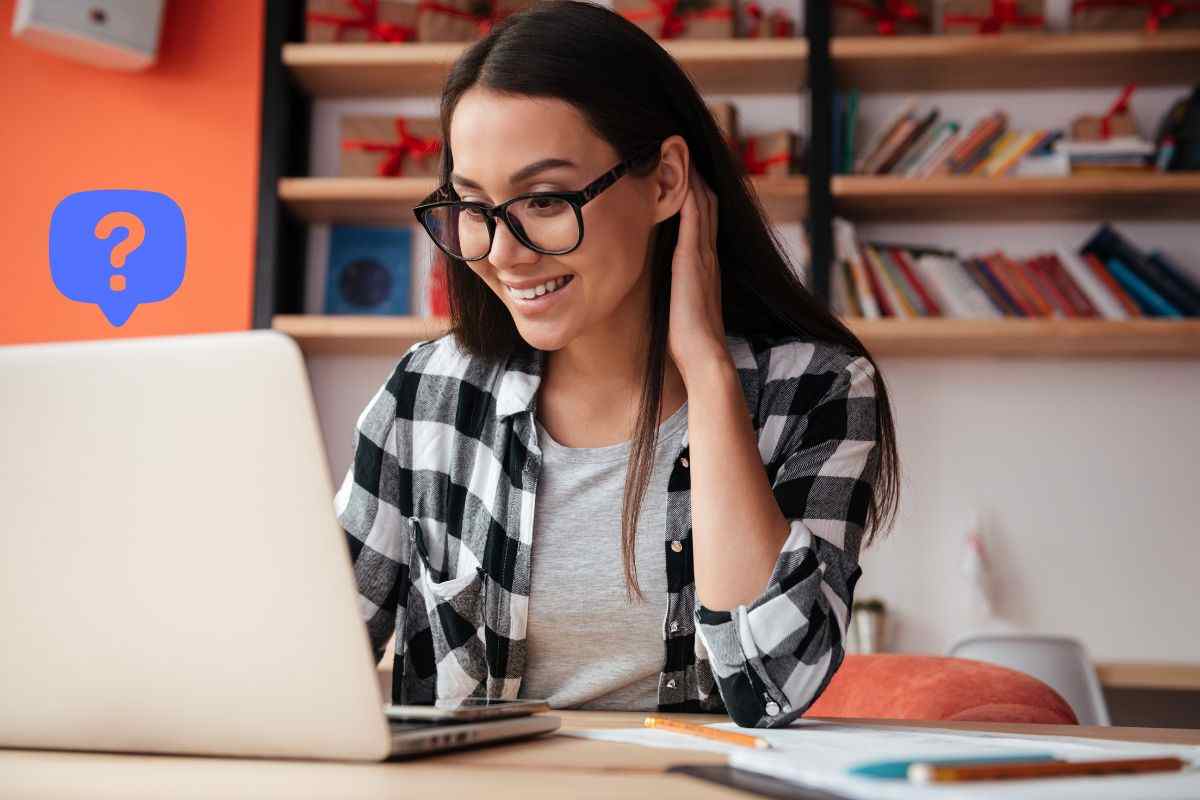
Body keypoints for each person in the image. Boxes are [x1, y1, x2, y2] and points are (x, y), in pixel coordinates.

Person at [333, 0, 900, 728]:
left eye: (542, 199)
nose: (503, 253)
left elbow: (774, 686)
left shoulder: (816, 389)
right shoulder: (427, 395)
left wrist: (709, 374)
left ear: (664, 181)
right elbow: (311, 660)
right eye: (474, 206)